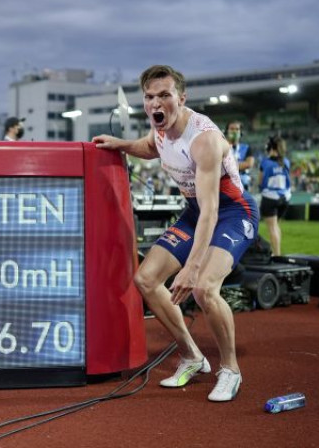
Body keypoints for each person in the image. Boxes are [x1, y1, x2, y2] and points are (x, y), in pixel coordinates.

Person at [92, 65, 259, 402]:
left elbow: (211, 213)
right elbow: (149, 146)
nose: (156, 103)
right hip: (195, 212)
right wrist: (120, 144)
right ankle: (193, 357)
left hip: (231, 213)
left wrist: (193, 266)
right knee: (146, 279)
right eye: (150, 97)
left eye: (164, 95)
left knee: (203, 289)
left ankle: (230, 370)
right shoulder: (160, 130)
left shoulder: (205, 140)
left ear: (181, 99)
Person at [259, 137, 291, 256]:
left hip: (270, 197)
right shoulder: (286, 162)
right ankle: (277, 252)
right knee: (276, 226)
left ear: (271, 148)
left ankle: (277, 255)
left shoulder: (265, 162)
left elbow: (261, 181)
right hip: (285, 198)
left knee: (272, 228)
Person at [226, 121, 255, 191]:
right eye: (232, 129)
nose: (234, 131)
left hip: (243, 186)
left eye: (237, 129)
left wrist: (228, 167)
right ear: (227, 131)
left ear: (240, 132)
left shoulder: (247, 148)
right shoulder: (221, 147)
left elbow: (249, 164)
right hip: (227, 186)